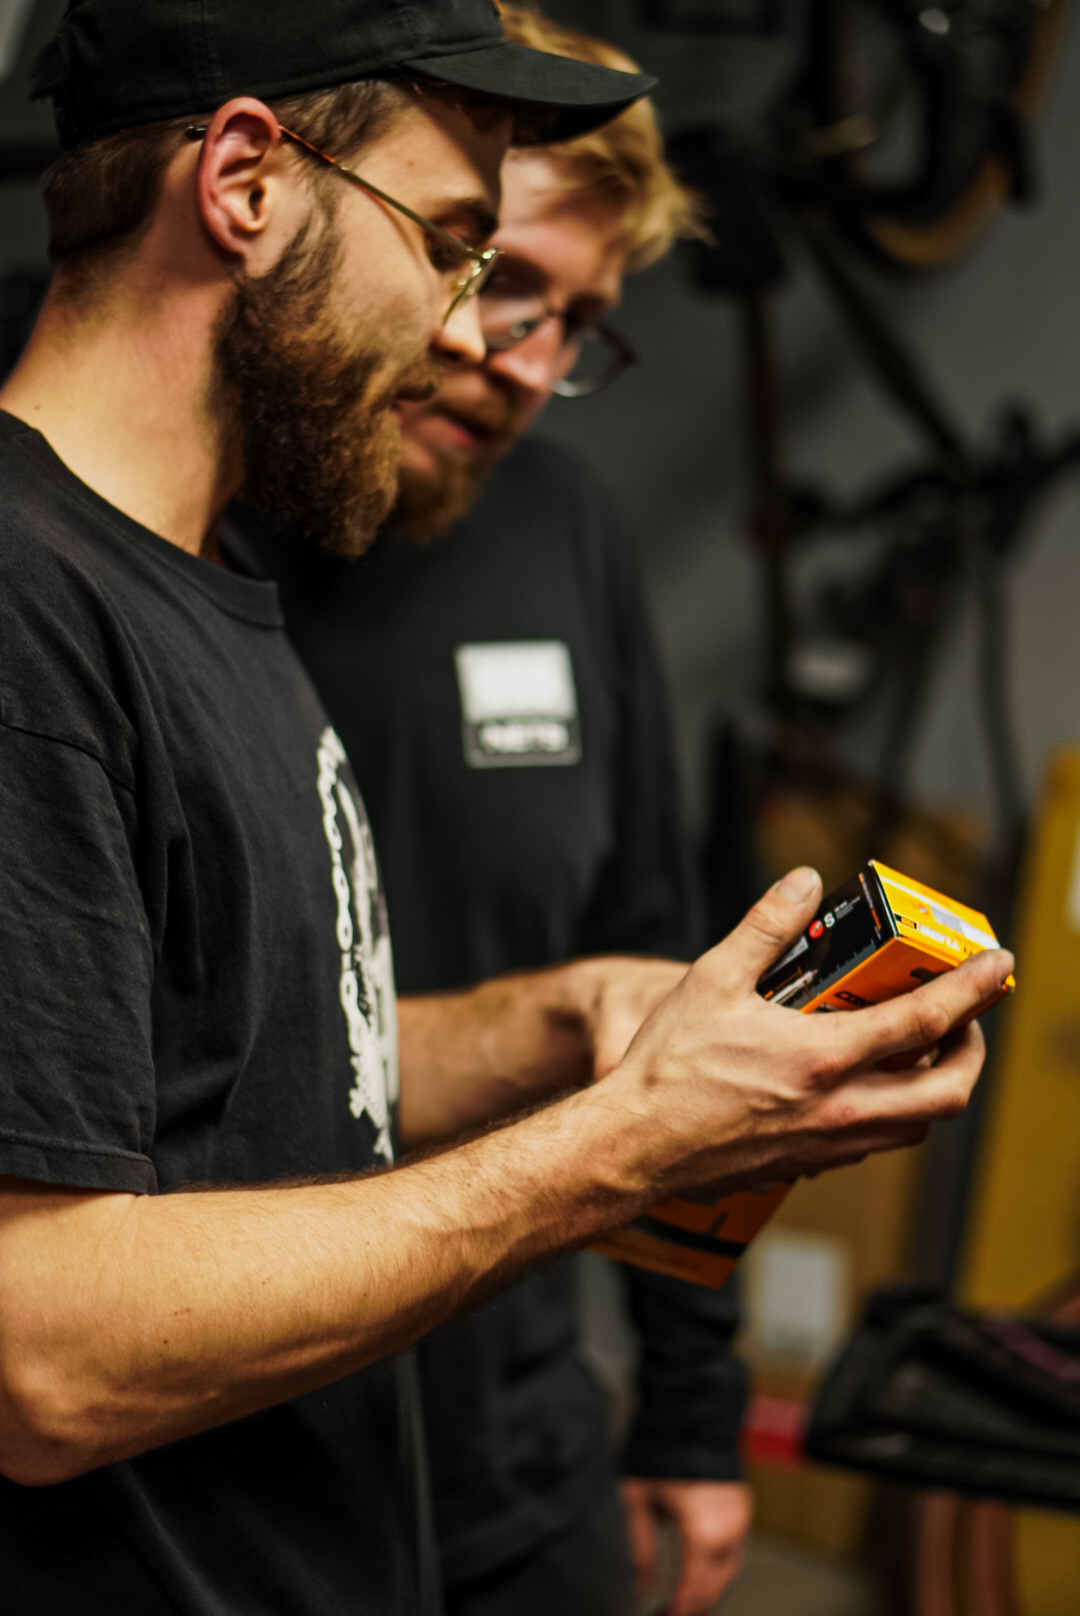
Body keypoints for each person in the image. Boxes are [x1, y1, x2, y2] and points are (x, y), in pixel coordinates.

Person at [0, 4, 1010, 1615]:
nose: (467, 330)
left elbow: (248, 1078)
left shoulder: (202, 585)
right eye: (450, 246)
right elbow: (40, 1352)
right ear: (246, 183)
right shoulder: (32, 609)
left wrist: (565, 1020)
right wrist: (623, 1145)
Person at [226, 12, 751, 1615]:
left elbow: (657, 962)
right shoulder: (167, 536)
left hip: (514, 1450)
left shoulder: (566, 528)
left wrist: (693, 1412)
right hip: (230, 1453)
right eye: (499, 275)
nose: (524, 361)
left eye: (576, 321)